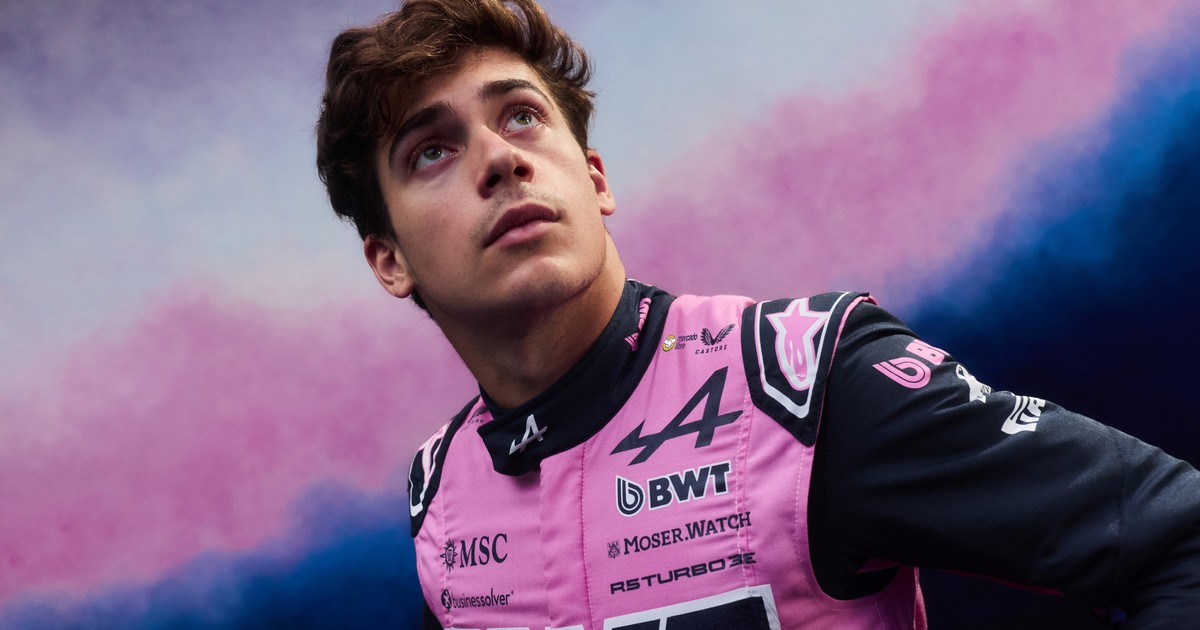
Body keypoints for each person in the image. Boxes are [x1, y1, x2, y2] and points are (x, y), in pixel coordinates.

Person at [315, 0, 1200, 627]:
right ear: (390, 260)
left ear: (593, 178)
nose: (501, 159)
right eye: (431, 151)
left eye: (521, 117)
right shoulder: (441, 500)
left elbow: (1179, 539)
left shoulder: (807, 386)